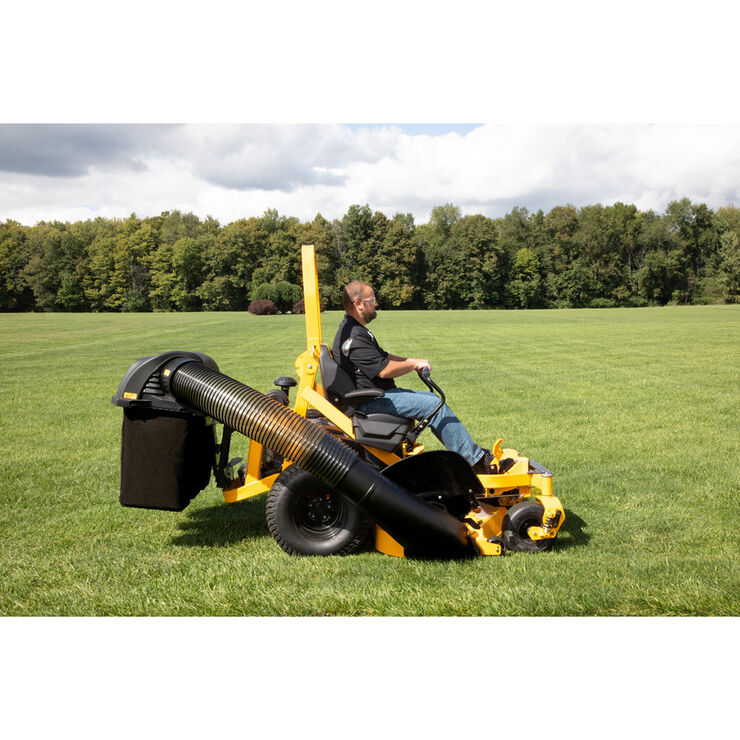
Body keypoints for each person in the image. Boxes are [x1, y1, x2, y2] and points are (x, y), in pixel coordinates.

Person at [332, 280, 495, 472]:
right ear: (359, 303)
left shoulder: (357, 331)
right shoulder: (354, 337)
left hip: (375, 394)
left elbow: (383, 357)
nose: (376, 304)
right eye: (372, 299)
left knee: (430, 399)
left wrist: (413, 360)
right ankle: (475, 462)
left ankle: (472, 453)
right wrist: (413, 364)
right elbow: (383, 369)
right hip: (369, 401)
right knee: (433, 404)